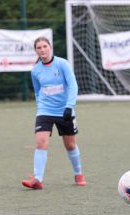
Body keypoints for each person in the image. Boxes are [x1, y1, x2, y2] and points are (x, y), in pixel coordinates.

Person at [22, 36, 86, 189]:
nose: (42, 50)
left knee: (70, 145)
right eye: (39, 48)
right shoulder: (35, 71)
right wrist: (40, 107)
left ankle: (79, 173)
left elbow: (73, 85)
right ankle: (37, 179)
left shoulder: (62, 64)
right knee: (41, 142)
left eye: (45, 46)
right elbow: (38, 92)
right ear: (36, 51)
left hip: (65, 110)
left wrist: (69, 106)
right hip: (45, 111)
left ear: (50, 47)